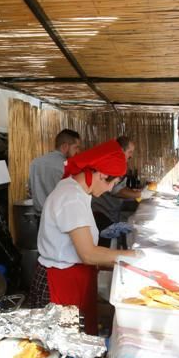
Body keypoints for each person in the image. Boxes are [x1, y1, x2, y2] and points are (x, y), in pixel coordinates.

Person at [28, 139, 138, 335]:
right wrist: (135, 257)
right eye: (111, 183)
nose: (108, 190)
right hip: (61, 283)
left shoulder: (76, 190)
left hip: (72, 277)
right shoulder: (72, 197)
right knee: (66, 341)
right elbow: (88, 254)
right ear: (102, 175)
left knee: (76, 338)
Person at [91, 135, 142, 247]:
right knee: (104, 244)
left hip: (109, 213)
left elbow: (119, 186)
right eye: (130, 152)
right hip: (101, 213)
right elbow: (116, 190)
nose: (131, 155)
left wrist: (134, 192)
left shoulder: (120, 165)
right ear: (121, 150)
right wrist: (139, 194)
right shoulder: (111, 165)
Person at [28, 128, 81, 215]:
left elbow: (30, 191)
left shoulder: (35, 162)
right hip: (60, 219)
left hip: (39, 220)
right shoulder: (67, 166)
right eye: (76, 147)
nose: (78, 151)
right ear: (65, 146)